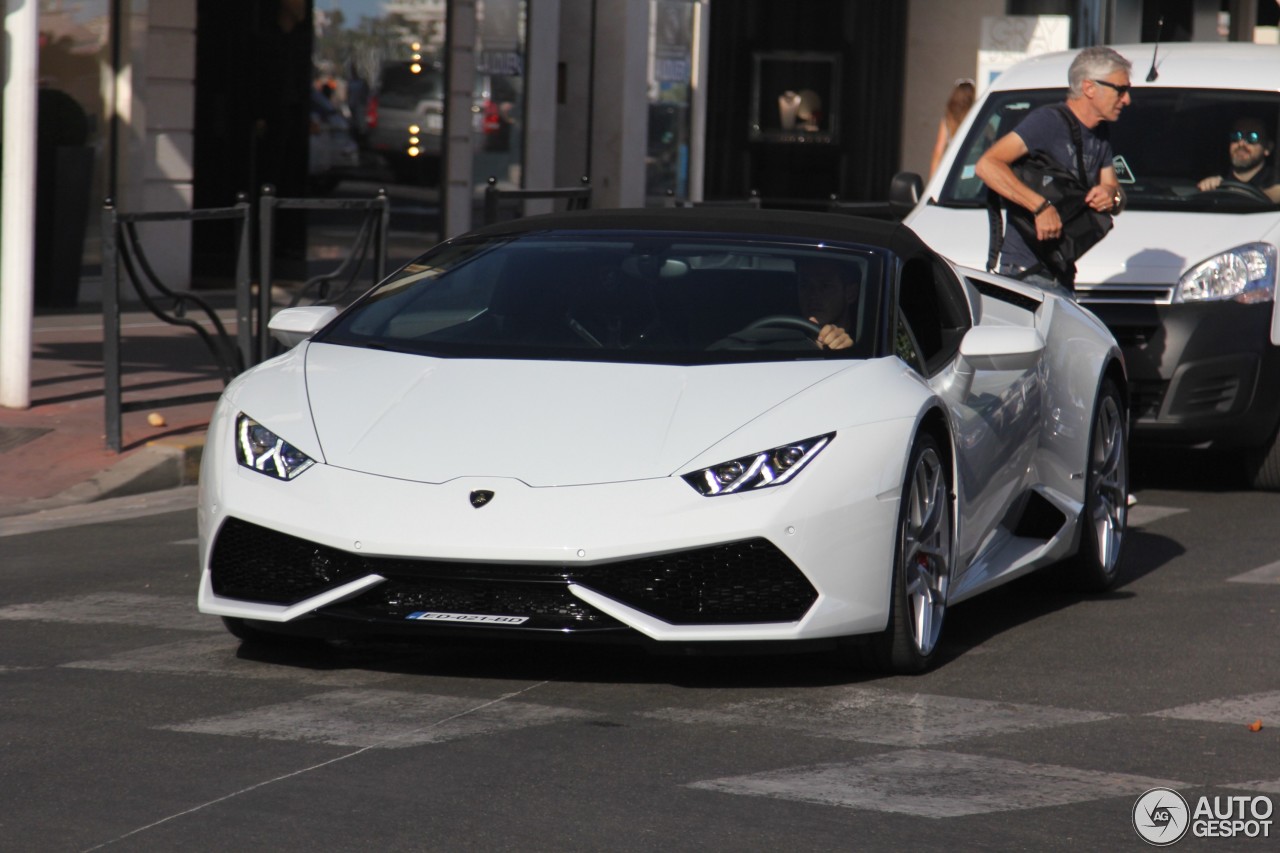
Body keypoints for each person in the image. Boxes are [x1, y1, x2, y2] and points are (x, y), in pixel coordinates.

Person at [975, 46, 1131, 294]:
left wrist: (1110, 196)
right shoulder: (1048, 121)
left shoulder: (1100, 134)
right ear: (1089, 88)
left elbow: (1115, 193)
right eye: (1120, 90)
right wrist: (1040, 206)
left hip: (1063, 273)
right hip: (1025, 272)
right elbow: (987, 165)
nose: (1126, 99)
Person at [1196, 117, 1280, 203]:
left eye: (1252, 137)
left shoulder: (1275, 179)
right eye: (1236, 136)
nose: (1241, 143)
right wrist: (1208, 188)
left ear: (1268, 148)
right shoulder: (1218, 179)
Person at [796, 258, 857, 350]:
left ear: (850, 293)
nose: (813, 295)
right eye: (805, 284)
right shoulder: (788, 339)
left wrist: (846, 351)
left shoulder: (868, 346)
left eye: (825, 285)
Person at [929, 78, 976, 178]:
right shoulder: (976, 117)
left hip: (954, 171)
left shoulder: (948, 120)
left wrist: (932, 181)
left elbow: (938, 152)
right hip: (973, 170)